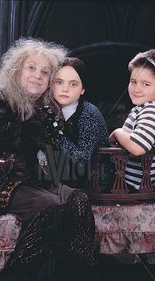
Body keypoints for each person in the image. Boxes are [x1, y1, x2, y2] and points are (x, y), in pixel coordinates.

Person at [0, 38, 96, 281]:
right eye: (31, 68)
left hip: (41, 181)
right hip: (4, 183)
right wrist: (34, 127)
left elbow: (50, 160)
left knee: (79, 200)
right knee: (52, 206)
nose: (37, 75)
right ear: (16, 71)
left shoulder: (47, 108)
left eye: (45, 72)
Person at [109, 49, 155, 190]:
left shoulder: (153, 111)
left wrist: (117, 132)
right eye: (133, 82)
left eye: (146, 84)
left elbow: (138, 148)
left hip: (138, 185)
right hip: (139, 181)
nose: (137, 89)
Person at [40, 57, 110, 190]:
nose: (65, 89)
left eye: (73, 84)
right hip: (62, 176)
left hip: (94, 182)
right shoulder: (49, 109)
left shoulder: (89, 114)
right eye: (59, 82)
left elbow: (82, 161)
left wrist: (57, 135)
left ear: (83, 89)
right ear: (51, 85)